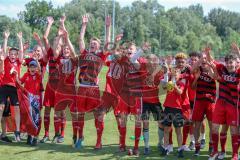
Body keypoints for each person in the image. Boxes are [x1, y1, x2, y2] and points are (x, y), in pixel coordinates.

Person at [74, 14, 111, 149]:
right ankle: (80, 137)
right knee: (80, 114)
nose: (92, 45)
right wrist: (84, 25)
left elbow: (107, 43)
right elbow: (80, 39)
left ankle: (98, 141)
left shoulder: (101, 56)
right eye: (91, 44)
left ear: (99, 47)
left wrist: (108, 27)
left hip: (93, 89)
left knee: (98, 115)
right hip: (82, 87)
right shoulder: (84, 53)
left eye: (95, 44)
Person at [208, 53, 240, 160]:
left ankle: (235, 154)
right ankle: (215, 151)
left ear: (236, 63)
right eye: (227, 62)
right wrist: (207, 53)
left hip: (233, 105)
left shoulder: (238, 73)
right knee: (214, 127)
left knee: (234, 130)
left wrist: (238, 52)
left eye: (231, 62)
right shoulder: (222, 69)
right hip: (220, 103)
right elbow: (211, 61)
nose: (229, 65)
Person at [161, 52, 189, 158]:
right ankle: (165, 148)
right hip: (168, 107)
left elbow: (180, 92)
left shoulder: (182, 81)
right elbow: (165, 88)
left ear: (179, 75)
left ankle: (180, 149)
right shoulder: (169, 80)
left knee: (178, 130)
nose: (174, 74)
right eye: (173, 72)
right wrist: (168, 77)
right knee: (167, 129)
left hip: (177, 108)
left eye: (176, 73)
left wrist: (173, 81)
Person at [191, 51, 216, 156]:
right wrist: (196, 78)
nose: (204, 60)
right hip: (199, 101)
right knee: (197, 125)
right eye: (202, 58)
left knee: (212, 125)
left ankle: (211, 145)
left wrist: (209, 61)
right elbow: (193, 87)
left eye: (205, 58)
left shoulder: (214, 69)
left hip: (210, 101)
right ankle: (197, 146)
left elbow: (214, 76)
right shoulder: (198, 70)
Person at [0, 31, 24, 142]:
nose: (13, 56)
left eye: (15, 54)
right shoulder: (5, 60)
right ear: (9, 55)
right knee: (1, 108)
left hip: (14, 88)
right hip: (4, 87)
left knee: (17, 109)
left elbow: (22, 52)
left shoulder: (18, 62)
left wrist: (20, 39)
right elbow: (4, 52)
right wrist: (5, 38)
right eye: (11, 54)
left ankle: (17, 132)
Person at [16, 60, 43, 146]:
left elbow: (40, 69)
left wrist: (36, 60)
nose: (32, 68)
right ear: (28, 68)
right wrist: (15, 74)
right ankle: (29, 136)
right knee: (29, 119)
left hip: (36, 101)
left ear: (36, 68)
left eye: (34, 67)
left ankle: (35, 137)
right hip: (28, 100)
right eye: (31, 67)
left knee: (37, 119)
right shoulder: (26, 75)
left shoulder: (39, 76)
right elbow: (19, 83)